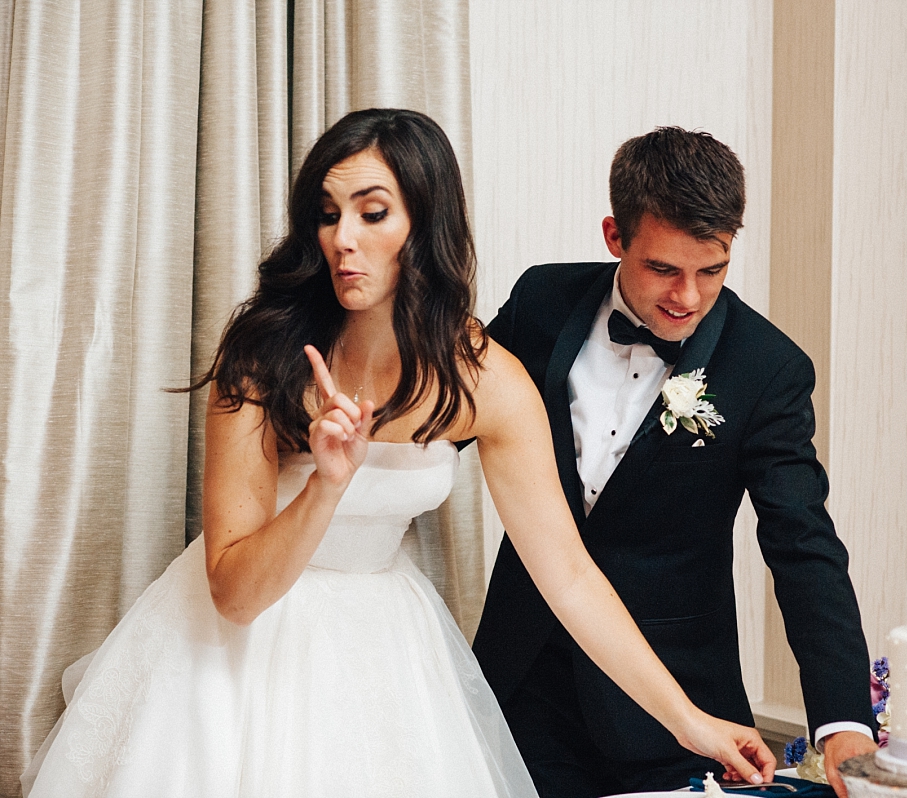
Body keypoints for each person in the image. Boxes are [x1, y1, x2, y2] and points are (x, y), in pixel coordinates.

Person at [20, 109, 773, 797]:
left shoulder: (485, 379)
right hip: (229, 655)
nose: (341, 238)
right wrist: (324, 485)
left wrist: (690, 722)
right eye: (326, 214)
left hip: (385, 654)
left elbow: (570, 578)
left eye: (372, 213)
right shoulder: (263, 352)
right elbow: (234, 594)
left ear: (424, 223)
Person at [473, 127, 878, 798]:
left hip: (682, 712)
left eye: (711, 270)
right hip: (527, 687)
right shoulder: (541, 304)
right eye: (664, 268)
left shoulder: (766, 368)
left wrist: (842, 718)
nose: (687, 296)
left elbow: (804, 546)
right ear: (615, 235)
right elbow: (444, 423)